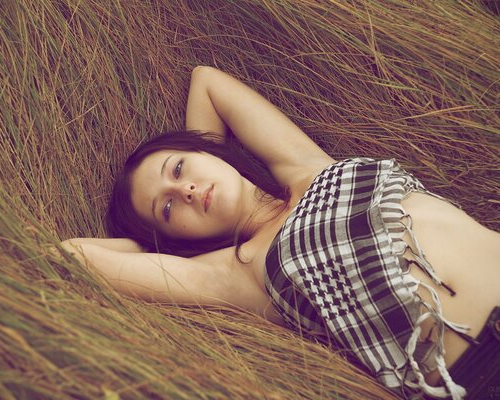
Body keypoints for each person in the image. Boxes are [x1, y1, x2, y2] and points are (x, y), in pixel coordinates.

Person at [60, 66, 500, 399]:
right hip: (481, 371)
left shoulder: (304, 167)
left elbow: (207, 81)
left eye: (178, 168)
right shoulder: (236, 272)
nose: (187, 189)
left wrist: (210, 154)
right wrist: (156, 247)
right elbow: (73, 253)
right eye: (169, 207)